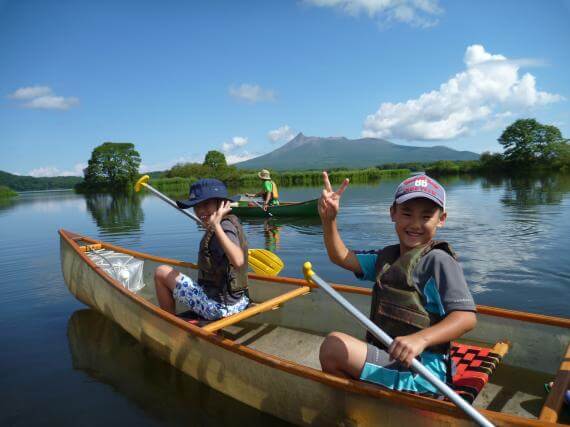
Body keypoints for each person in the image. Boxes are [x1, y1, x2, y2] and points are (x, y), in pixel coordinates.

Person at [318, 172, 477, 395]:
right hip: (392, 357)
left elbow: (466, 317)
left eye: (426, 216)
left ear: (441, 219)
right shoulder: (387, 258)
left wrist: (420, 339)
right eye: (407, 213)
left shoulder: (439, 261)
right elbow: (341, 257)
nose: (415, 224)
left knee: (333, 347)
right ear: (393, 213)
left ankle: (355, 409)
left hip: (423, 373)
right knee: (339, 346)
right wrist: (329, 220)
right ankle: (363, 405)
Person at [154, 178, 249, 320]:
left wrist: (216, 226)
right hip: (240, 301)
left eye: (206, 204)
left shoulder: (223, 226)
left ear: (221, 203)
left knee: (161, 272)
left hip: (220, 308)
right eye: (197, 206)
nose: (200, 211)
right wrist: (213, 225)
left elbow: (239, 261)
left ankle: (170, 321)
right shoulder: (228, 222)